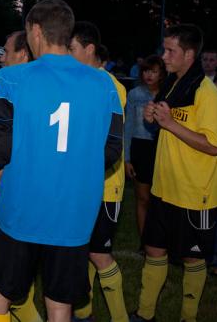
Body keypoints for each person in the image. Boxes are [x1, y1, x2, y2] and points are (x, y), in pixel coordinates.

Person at [0, 0, 123, 322]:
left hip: (21, 207)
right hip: (74, 212)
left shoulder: (9, 79)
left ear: (36, 31)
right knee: (60, 306)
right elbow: (112, 149)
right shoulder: (105, 84)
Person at [130, 24, 217, 322]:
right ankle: (145, 314)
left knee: (194, 259)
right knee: (154, 251)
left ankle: (188, 317)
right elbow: (171, 123)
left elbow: (213, 146)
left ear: (189, 54)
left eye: (170, 51)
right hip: (163, 188)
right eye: (164, 49)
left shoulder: (207, 93)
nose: (164, 56)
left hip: (195, 195)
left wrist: (168, 124)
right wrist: (153, 118)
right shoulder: (173, 84)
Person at [69, 21, 128, 322]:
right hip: (83, 185)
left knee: (99, 254)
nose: (68, 54)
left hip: (104, 186)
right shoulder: (81, 82)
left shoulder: (110, 86)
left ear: (89, 50)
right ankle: (83, 312)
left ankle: (120, 317)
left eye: (73, 48)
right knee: (84, 250)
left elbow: (102, 141)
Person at [0, 30, 42, 322]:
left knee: (5, 284)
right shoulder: (34, 87)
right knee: (17, 279)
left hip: (23, 194)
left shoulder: (16, 89)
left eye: (6, 51)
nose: (1, 57)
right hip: (27, 192)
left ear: (22, 55)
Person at [124, 55, 165, 236]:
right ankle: (143, 240)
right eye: (146, 71)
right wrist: (126, 158)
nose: (149, 75)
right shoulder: (135, 94)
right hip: (140, 147)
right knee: (142, 198)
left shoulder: (169, 93)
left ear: (161, 73)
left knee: (162, 199)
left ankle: (161, 240)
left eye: (154, 71)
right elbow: (129, 126)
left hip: (162, 148)